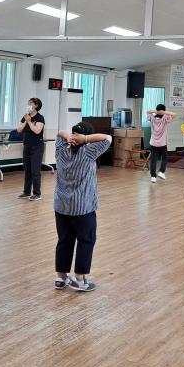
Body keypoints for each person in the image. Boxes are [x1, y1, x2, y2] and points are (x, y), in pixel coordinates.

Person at [53, 122, 112, 292]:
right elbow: (108, 138)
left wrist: (69, 137)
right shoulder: (88, 151)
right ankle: (79, 279)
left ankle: (61, 277)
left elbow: (59, 133)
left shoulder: (61, 150)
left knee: (64, 240)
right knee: (86, 240)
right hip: (82, 207)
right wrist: (85, 139)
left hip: (61, 205)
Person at [16, 98, 45, 201]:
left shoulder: (40, 118)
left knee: (35, 171)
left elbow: (37, 131)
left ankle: (37, 193)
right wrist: (26, 120)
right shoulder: (26, 116)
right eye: (28, 103)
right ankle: (26, 192)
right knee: (27, 170)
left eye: (31, 103)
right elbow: (19, 129)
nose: (28, 105)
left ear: (36, 105)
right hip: (27, 146)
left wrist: (29, 122)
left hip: (37, 147)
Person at [147, 104, 177, 183]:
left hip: (153, 143)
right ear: (164, 110)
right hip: (162, 143)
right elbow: (174, 114)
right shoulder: (165, 118)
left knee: (153, 160)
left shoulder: (152, 118)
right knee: (164, 158)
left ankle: (153, 176)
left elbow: (148, 111)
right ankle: (161, 172)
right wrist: (164, 112)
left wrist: (156, 111)